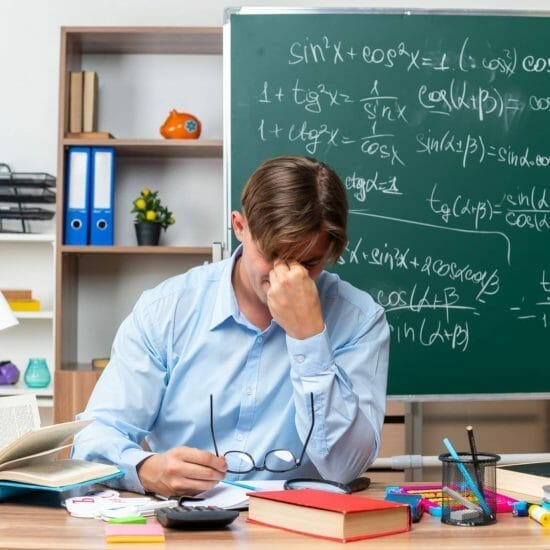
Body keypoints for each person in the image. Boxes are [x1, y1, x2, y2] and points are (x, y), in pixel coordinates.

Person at [72, 155, 390, 497]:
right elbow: (93, 439)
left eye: (309, 262)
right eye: (273, 256)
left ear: (330, 250)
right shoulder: (166, 310)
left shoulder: (359, 321)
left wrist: (309, 337)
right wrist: (147, 470)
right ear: (240, 227)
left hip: (300, 527)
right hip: (184, 524)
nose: (288, 276)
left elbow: (343, 467)